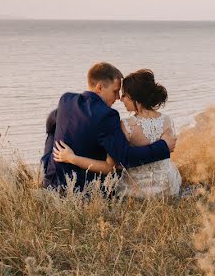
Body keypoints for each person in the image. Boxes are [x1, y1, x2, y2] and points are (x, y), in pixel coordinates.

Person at [41, 62, 175, 192]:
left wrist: (53, 150)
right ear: (100, 87)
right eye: (115, 91)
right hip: (79, 189)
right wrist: (163, 146)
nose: (118, 97)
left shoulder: (66, 99)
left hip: (50, 178)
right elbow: (125, 158)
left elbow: (51, 122)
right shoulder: (107, 116)